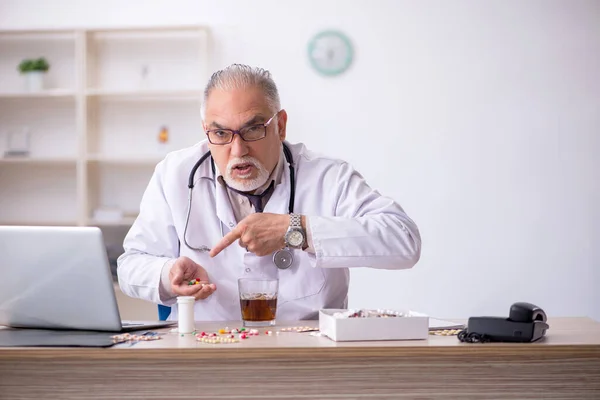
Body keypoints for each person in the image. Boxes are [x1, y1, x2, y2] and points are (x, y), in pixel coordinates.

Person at [117, 64, 421, 321]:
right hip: (206, 353)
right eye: (221, 133)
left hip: (306, 354)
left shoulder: (328, 177)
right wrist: (167, 273)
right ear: (206, 131)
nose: (238, 150)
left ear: (281, 125)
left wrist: (296, 229)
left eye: (253, 129)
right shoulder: (176, 174)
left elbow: (403, 240)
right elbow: (130, 266)